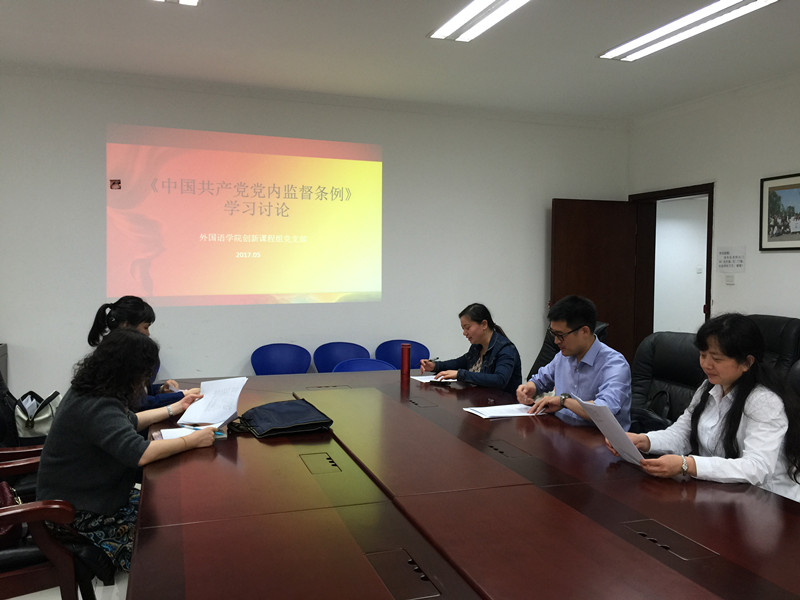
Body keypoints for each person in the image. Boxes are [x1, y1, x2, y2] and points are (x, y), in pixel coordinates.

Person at [36, 329, 216, 572]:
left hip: (92, 495)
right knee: (166, 554)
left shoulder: (90, 391)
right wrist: (192, 440)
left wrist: (175, 407)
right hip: (77, 512)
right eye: (144, 375)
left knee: (176, 514)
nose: (145, 382)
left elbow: (129, 421)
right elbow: (140, 453)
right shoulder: (96, 405)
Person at [609, 313, 800, 501]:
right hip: (723, 493)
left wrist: (687, 465)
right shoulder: (710, 386)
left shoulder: (764, 401)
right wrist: (644, 440)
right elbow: (682, 433)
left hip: (770, 501)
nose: (706, 364)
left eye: (717, 359)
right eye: (702, 355)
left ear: (746, 362)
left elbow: (756, 468)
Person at [516, 295, 631, 429]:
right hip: (562, 433)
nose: (556, 341)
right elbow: (540, 379)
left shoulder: (614, 364)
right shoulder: (562, 356)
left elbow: (604, 410)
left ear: (584, 331)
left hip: (600, 439)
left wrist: (564, 401)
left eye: (561, 335)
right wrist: (529, 388)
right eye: (553, 334)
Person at [88, 295, 199, 409]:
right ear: (125, 325)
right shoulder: (116, 359)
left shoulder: (121, 353)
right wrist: (181, 396)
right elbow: (138, 403)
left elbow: (141, 392)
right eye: (145, 327)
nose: (148, 333)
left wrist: (161, 389)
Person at [420, 303, 522, 394]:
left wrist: (461, 374)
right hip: (481, 401)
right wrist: (435, 366)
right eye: (463, 329)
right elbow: (459, 362)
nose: (464, 333)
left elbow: (499, 380)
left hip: (502, 404)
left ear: (484, 324)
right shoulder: (477, 347)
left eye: (467, 327)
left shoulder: (505, 349)